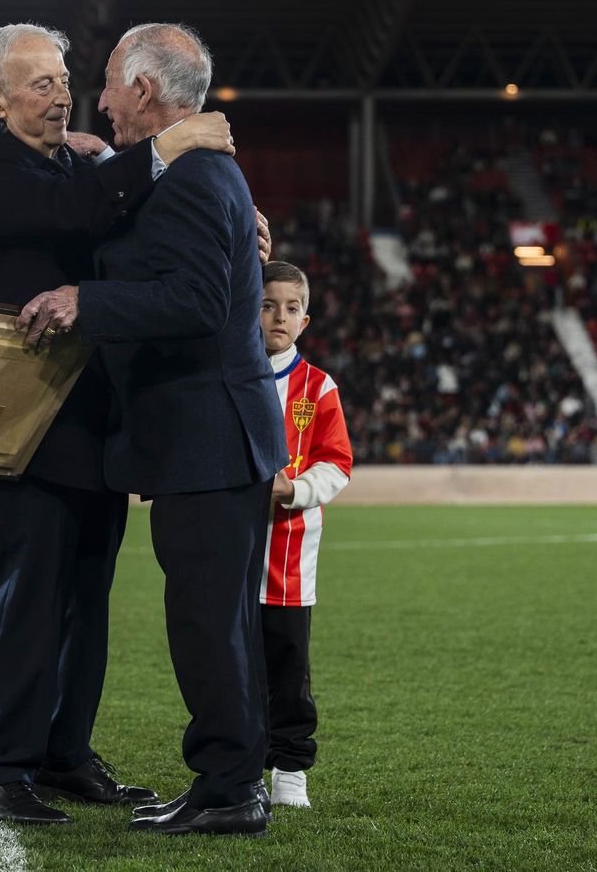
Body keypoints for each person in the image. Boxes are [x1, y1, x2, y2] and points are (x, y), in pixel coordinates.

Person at [0, 22, 235, 826]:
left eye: (64, 80)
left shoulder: (79, 162)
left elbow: (126, 231)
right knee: (32, 592)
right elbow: (75, 212)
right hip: (16, 409)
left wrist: (240, 230)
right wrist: (165, 150)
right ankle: (0, 769)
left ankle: (64, 753)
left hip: (93, 412)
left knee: (86, 594)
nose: (62, 95)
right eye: (41, 84)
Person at [19, 22, 287, 836]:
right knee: (222, 624)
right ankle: (235, 779)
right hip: (211, 439)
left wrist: (85, 302)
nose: (96, 98)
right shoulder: (190, 173)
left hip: (207, 441)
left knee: (208, 624)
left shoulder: (200, 177)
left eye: (106, 82)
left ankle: (229, 788)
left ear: (142, 89)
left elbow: (199, 301)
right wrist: (98, 160)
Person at [257, 260, 354, 809]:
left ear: (305, 320)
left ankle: (291, 768)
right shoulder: (231, 375)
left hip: (290, 560)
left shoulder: (318, 387)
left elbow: (337, 464)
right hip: (231, 555)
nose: (279, 316)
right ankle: (241, 764)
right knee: (235, 669)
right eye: (268, 304)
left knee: (288, 670)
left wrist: (290, 490)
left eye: (291, 307)